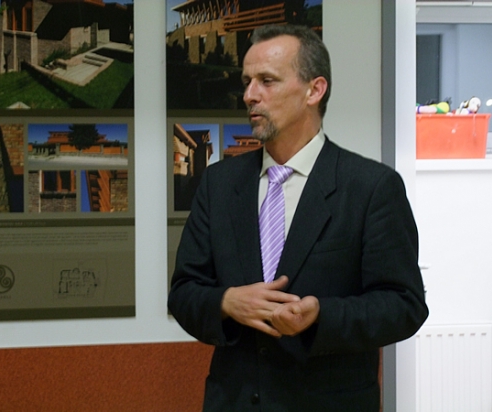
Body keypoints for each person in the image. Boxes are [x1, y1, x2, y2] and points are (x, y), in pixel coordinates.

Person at [168, 24, 428, 412]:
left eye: (267, 80)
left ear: (314, 90)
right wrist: (227, 302)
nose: (249, 95)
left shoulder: (370, 187)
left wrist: (321, 314)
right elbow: (184, 292)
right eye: (247, 82)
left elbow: (403, 305)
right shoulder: (220, 184)